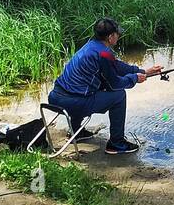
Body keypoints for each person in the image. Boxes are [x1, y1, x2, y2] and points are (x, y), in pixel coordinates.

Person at [48, 18, 162, 154]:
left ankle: (76, 132)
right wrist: (134, 79)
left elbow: (115, 65)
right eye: (117, 34)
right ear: (110, 37)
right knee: (119, 96)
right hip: (72, 103)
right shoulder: (103, 53)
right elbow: (115, 84)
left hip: (55, 98)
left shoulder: (91, 46)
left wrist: (143, 71)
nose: (118, 36)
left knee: (87, 88)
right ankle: (116, 143)